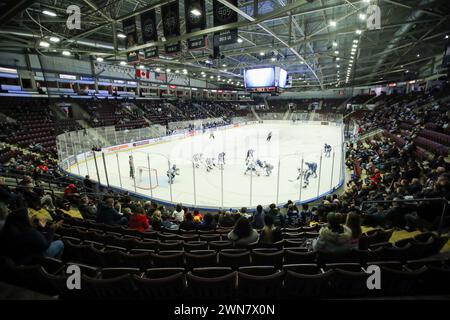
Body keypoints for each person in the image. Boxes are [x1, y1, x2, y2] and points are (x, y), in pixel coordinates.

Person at [0, 208, 64, 264]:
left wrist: (37, 227)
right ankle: (54, 264)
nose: (33, 216)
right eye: (29, 214)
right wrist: (52, 229)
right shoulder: (30, 233)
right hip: (29, 261)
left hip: (13, 261)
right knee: (60, 243)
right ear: (24, 218)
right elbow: (45, 245)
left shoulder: (8, 227)